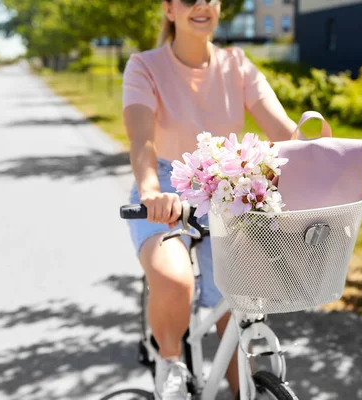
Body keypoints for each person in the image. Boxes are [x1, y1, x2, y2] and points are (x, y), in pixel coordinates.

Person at [122, 0, 298, 398]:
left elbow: (284, 131)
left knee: (237, 299)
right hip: (166, 185)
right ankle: (170, 364)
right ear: (169, 9)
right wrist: (150, 189)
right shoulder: (144, 65)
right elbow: (142, 138)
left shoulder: (237, 65)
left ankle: (245, 389)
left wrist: (322, 148)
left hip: (227, 187)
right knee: (173, 280)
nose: (200, 5)